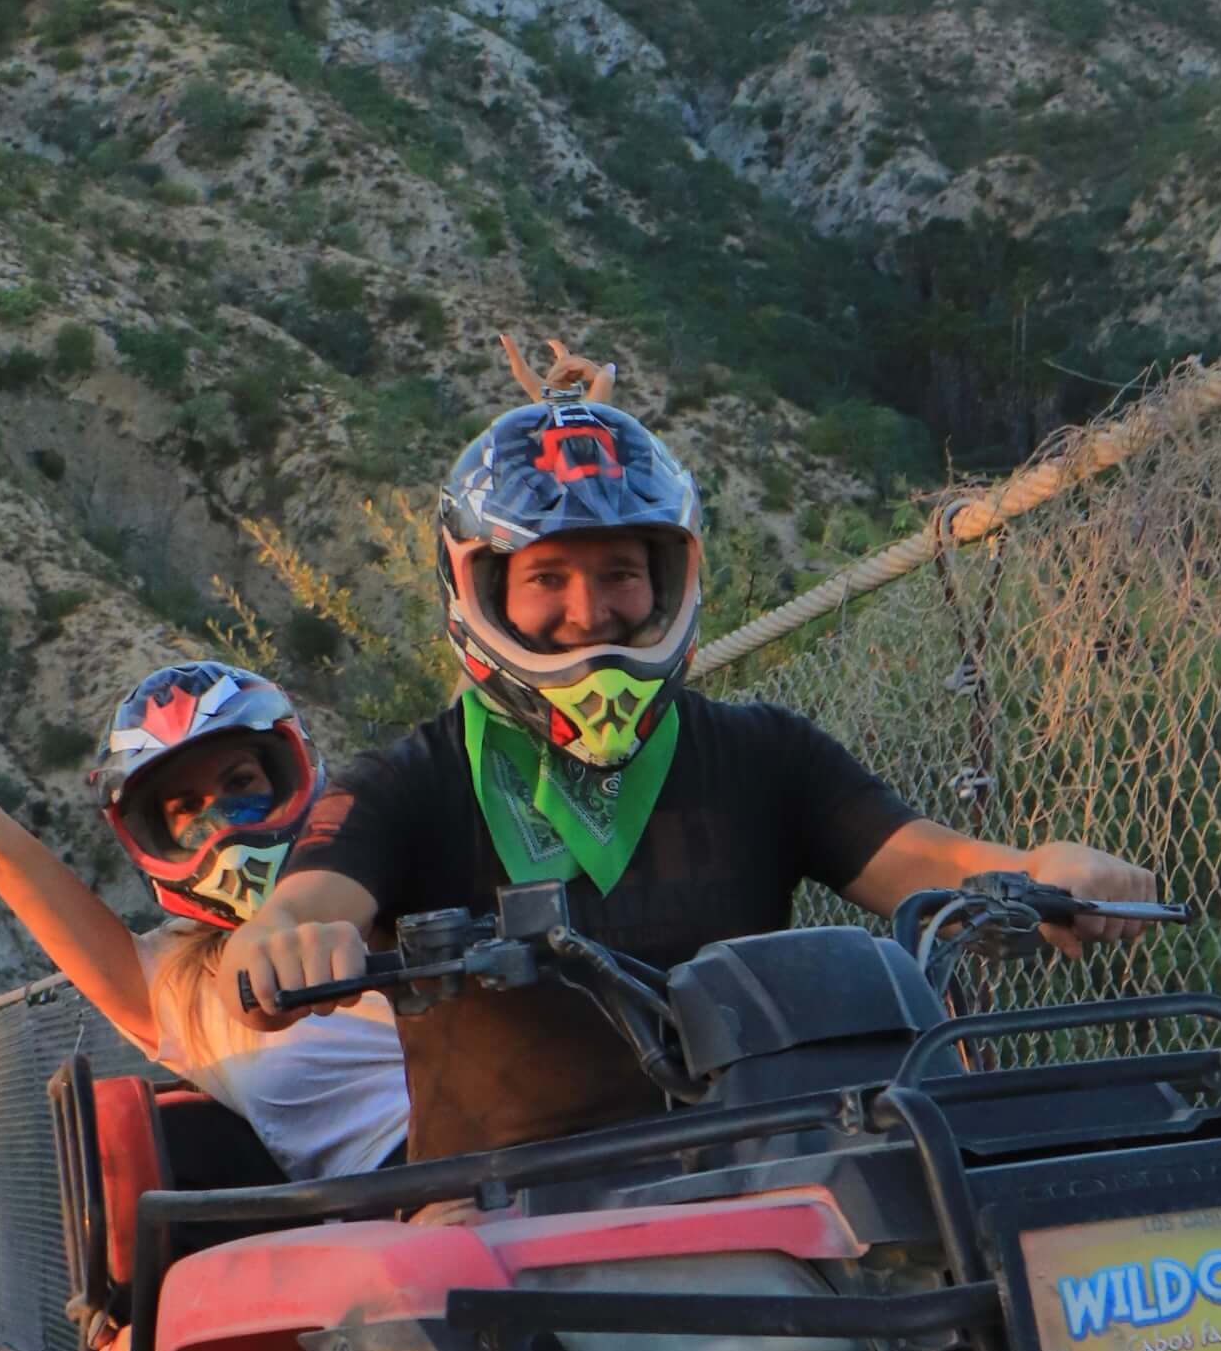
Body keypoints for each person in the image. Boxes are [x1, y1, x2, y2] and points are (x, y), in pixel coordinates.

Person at [228, 384, 1165, 1165]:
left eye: (621, 572)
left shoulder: (765, 753)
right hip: (500, 1223)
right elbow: (309, 900)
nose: (589, 609)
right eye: (547, 577)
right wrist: (281, 941)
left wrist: (1042, 868)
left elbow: (925, 856)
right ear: (484, 591)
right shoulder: (409, 782)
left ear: (668, 580)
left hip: (763, 1182)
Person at [0, 576, 408, 1180]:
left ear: (290, 774)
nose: (219, 819)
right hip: (394, 1220)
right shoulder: (173, 988)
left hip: (500, 1139)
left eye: (240, 783)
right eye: (185, 809)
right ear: (154, 837)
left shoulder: (397, 885)